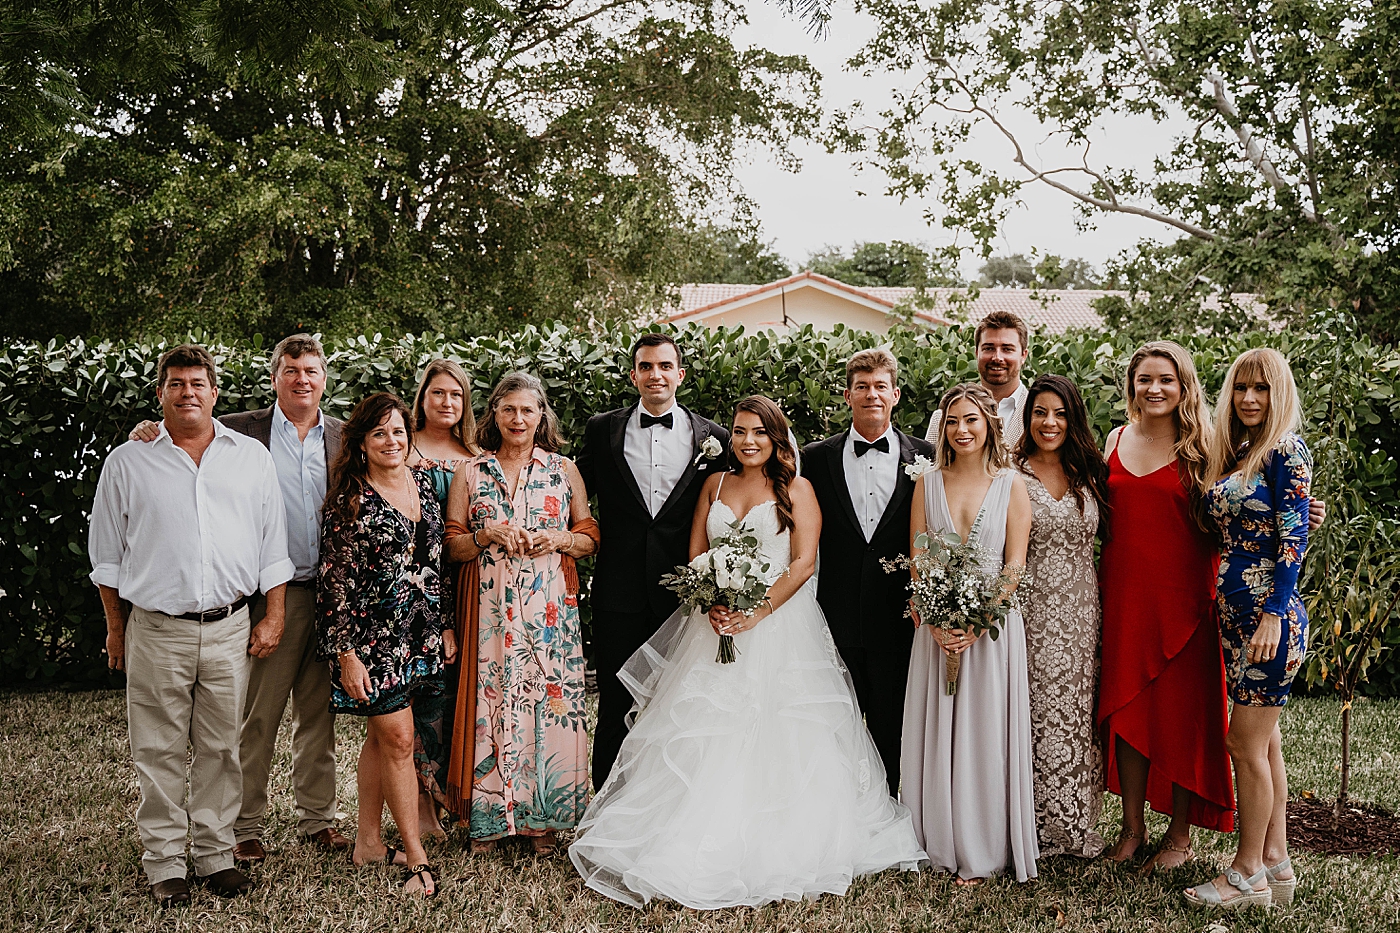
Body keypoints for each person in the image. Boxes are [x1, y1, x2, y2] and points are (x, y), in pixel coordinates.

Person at [570, 396, 926, 908]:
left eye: (759, 432)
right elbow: (696, 550)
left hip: (779, 629)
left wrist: (754, 612)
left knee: (776, 732)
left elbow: (803, 563)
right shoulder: (714, 484)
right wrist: (713, 597)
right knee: (701, 729)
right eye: (739, 431)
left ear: (776, 438)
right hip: (711, 627)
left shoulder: (797, 489)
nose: (748, 440)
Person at [127, 335, 350, 862]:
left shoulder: (344, 437)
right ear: (274, 377)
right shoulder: (240, 432)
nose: (302, 379)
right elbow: (185, 441)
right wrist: (149, 429)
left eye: (311, 370)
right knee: (254, 717)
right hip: (271, 598)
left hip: (334, 596)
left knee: (318, 717)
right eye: (291, 369)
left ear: (324, 379)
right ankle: (245, 824)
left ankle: (317, 819)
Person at [89, 343, 293, 907]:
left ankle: (215, 853)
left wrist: (273, 613)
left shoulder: (249, 458)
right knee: (156, 748)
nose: (187, 392)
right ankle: (164, 861)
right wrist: (115, 628)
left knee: (221, 746)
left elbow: (272, 545)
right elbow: (106, 557)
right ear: (161, 394)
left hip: (229, 627)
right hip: (156, 628)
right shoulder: (128, 462)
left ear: (214, 393)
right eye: (176, 383)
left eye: (197, 383)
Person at [442, 372, 598, 857]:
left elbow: (590, 536)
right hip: (490, 614)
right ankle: (489, 820)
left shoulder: (563, 469)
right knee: (492, 704)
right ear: (494, 415)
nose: (518, 419)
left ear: (541, 416)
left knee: (548, 708)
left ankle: (542, 822)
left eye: (527, 410)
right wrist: (487, 535)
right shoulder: (472, 471)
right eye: (508, 409)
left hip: (549, 615)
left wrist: (560, 539)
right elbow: (451, 545)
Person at [1097, 341, 1234, 870]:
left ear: (1184, 387)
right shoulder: (1113, 438)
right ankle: (1131, 830)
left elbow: (1257, 502)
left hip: (1187, 604)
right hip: (1124, 598)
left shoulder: (1206, 446)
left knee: (1182, 720)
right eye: (1144, 379)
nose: (1154, 389)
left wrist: (1303, 512)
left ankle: (1179, 838)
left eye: (1166, 380)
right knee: (1126, 713)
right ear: (1131, 385)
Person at [575, 334, 729, 790]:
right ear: (633, 375)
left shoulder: (714, 438)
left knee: (680, 703)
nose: (655, 375)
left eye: (665, 366)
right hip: (616, 592)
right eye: (646, 366)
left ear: (680, 375)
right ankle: (605, 805)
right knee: (614, 704)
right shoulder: (603, 429)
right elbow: (574, 492)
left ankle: (668, 803)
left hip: (684, 595)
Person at [317, 393, 455, 897]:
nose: (391, 441)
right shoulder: (349, 499)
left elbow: (435, 566)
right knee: (398, 740)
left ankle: (369, 844)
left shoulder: (423, 486)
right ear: (361, 443)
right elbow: (332, 584)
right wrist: (345, 654)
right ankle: (416, 857)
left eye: (398, 431)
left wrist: (445, 626)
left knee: (382, 739)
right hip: (370, 641)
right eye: (379, 434)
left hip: (419, 635)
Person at [1185, 348, 1309, 909]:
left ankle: (1246, 873)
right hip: (1236, 617)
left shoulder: (1285, 450)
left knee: (1243, 743)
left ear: (1278, 393)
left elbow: (1292, 540)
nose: (1250, 399)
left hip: (1268, 619)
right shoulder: (1237, 453)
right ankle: (1277, 863)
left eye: (1261, 389)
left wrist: (1273, 614)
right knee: (1267, 745)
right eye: (1241, 388)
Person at [902, 383, 1037, 884]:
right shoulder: (927, 483)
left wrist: (978, 623)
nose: (962, 430)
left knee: (984, 734)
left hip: (992, 631)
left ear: (990, 426)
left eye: (972, 421)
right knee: (937, 729)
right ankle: (936, 837)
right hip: (935, 630)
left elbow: (1014, 564)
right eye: (953, 421)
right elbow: (917, 559)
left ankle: (982, 849)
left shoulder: (1011, 484)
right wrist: (936, 620)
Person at [801, 348, 935, 793]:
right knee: (834, 716)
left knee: (893, 715)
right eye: (862, 386)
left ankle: (893, 803)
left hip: (900, 614)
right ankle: (839, 804)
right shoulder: (815, 458)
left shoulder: (929, 457)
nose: (871, 394)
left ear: (895, 394)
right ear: (847, 395)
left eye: (880, 386)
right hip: (834, 610)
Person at [1013, 374, 1109, 858]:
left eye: (1060, 413)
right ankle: (1024, 826)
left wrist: (1300, 508)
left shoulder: (1090, 472)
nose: (1049, 422)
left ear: (1073, 419)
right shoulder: (1009, 473)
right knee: (1026, 715)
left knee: (1074, 715)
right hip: (1025, 612)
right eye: (1039, 412)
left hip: (1080, 614)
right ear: (1027, 418)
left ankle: (1071, 825)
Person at [406, 358, 479, 839]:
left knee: (460, 700)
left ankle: (459, 799)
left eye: (456, 395)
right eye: (438, 393)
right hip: (413, 591)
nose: (446, 402)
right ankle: (421, 810)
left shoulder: (476, 453)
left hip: (469, 590)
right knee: (418, 702)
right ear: (423, 397)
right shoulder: (400, 446)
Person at [925, 310, 1030, 449]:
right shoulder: (943, 418)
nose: (997, 357)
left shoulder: (1038, 414)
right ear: (977, 353)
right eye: (989, 348)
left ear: (1023, 355)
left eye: (1007, 349)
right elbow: (930, 468)